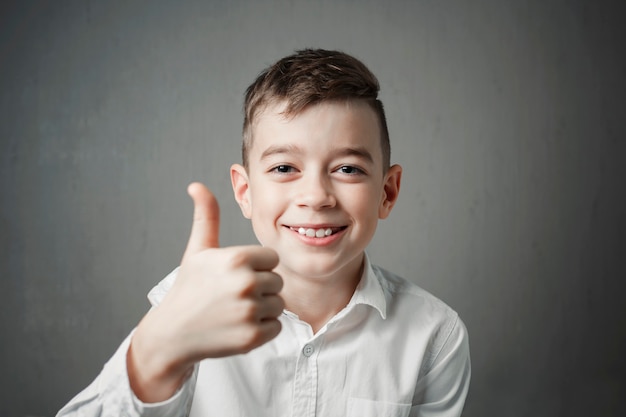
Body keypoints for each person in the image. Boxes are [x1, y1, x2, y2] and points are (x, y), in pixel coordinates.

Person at [57, 48, 470, 417]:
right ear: (245, 191)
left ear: (387, 191)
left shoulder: (433, 335)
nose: (316, 196)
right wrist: (155, 353)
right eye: (284, 168)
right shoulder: (185, 306)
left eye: (347, 168)